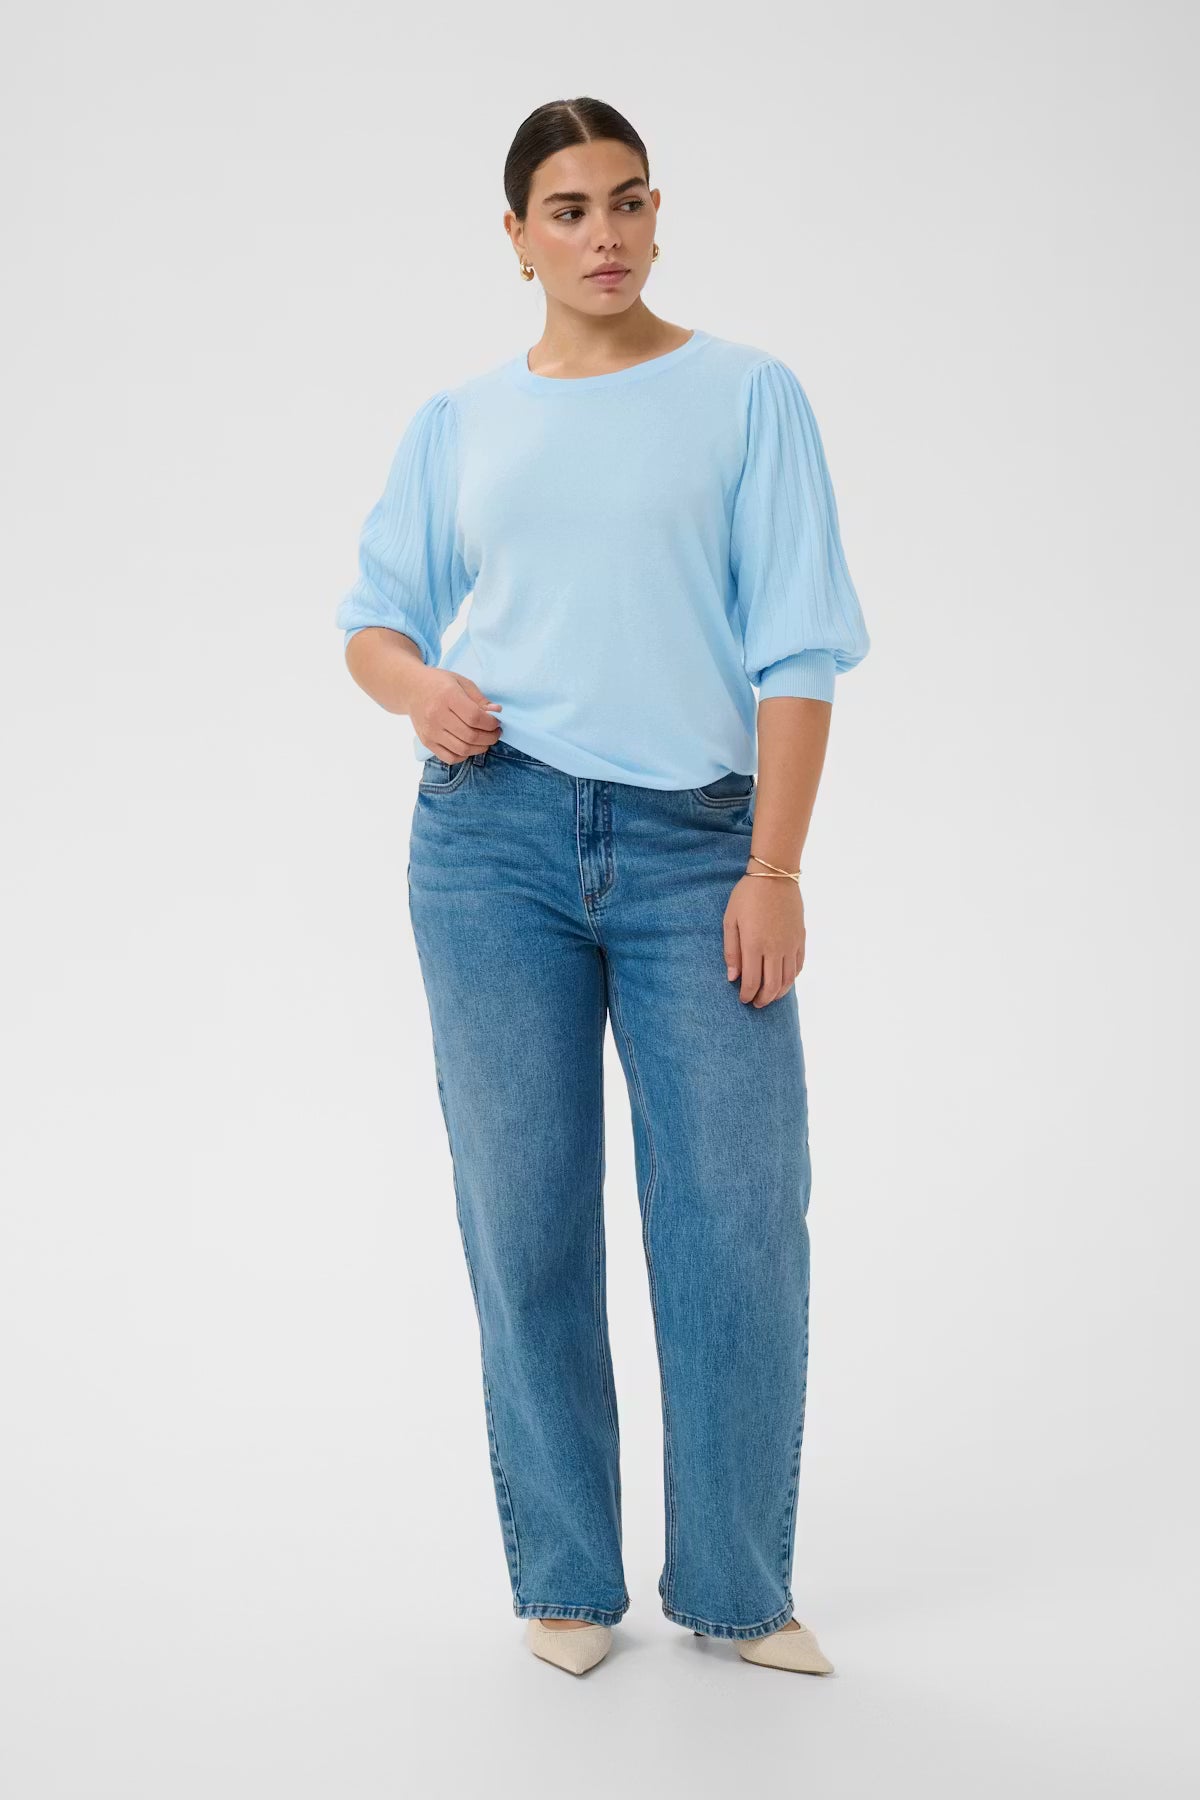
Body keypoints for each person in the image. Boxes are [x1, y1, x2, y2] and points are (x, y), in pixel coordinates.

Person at [335, 97, 870, 1678]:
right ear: (517, 239)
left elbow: (799, 650)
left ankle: (739, 1587)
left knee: (738, 1220)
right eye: (568, 210)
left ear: (657, 213)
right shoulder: (460, 422)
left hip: (700, 847)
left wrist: (776, 865)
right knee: (527, 1218)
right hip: (490, 843)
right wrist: (420, 691)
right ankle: (566, 1580)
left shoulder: (746, 395)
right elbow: (373, 620)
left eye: (628, 201)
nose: (606, 234)